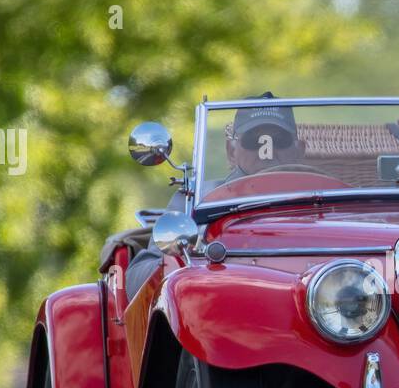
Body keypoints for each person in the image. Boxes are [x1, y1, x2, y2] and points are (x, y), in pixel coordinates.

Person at [125, 92, 302, 298]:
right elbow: (137, 281)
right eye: (253, 141)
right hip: (217, 308)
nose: (266, 148)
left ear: (300, 150)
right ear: (231, 150)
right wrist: (183, 259)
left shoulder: (330, 199)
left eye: (280, 140)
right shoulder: (194, 198)